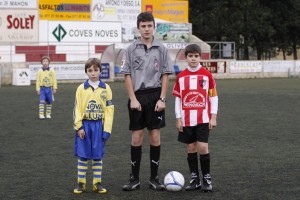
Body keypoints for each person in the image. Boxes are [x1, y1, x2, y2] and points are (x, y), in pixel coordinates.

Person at [120, 11, 173, 191]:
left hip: (156, 95)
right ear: (138, 28)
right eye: (143, 26)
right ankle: (134, 179)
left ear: (154, 27)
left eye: (150, 26)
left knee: (155, 136)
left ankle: (154, 178)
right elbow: (127, 75)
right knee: (136, 137)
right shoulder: (130, 49)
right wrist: (133, 99)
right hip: (137, 97)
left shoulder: (162, 49)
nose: (147, 29)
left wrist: (162, 99)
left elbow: (166, 75)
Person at [172, 44, 218, 192]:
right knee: (191, 148)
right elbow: (178, 99)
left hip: (203, 119)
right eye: (190, 56)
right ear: (186, 58)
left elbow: (213, 96)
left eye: (196, 56)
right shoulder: (181, 77)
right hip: (186, 119)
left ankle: (206, 178)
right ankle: (195, 179)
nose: (193, 58)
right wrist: (178, 118)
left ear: (200, 57)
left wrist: (213, 117)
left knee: (203, 147)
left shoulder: (207, 75)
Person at [73, 58, 114, 194]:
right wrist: (79, 127)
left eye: (96, 70)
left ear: (100, 71)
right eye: (90, 70)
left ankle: (97, 183)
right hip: (85, 125)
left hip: (99, 126)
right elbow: (77, 108)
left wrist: (107, 129)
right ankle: (81, 183)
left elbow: (109, 110)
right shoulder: (81, 88)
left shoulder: (106, 88)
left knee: (97, 156)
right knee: (83, 155)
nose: (93, 73)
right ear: (86, 72)